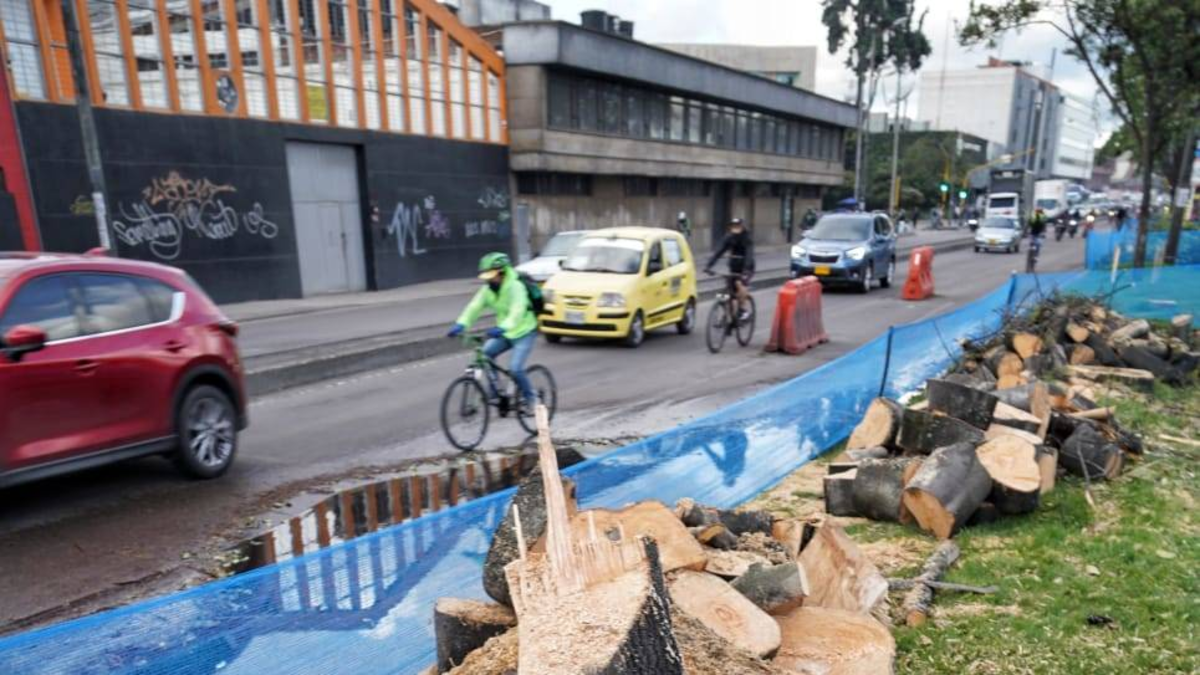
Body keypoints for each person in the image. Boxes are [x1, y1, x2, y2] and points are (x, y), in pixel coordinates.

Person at [447, 252, 539, 411]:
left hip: (524, 331)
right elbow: (474, 307)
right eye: (486, 276)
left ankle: (532, 398)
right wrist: (461, 324)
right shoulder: (488, 289)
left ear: (502, 272)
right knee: (486, 354)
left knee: (516, 369)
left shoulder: (515, 287)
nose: (488, 280)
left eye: (491, 276)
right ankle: (495, 392)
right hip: (505, 332)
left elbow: (517, 311)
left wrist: (503, 327)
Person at [705, 218, 756, 321]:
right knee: (729, 291)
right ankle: (729, 317)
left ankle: (743, 310)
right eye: (733, 226)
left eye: (738, 226)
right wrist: (709, 265)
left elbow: (749, 254)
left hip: (747, 267)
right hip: (734, 268)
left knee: (739, 283)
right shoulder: (729, 238)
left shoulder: (747, 238)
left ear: (742, 227)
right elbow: (719, 252)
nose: (735, 228)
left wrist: (746, 269)